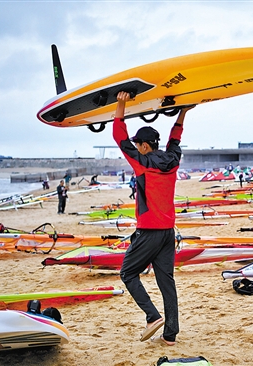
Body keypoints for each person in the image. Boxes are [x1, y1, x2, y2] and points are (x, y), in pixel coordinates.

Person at [113, 91, 194, 346]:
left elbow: (119, 137)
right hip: (168, 232)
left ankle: (152, 317)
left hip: (148, 231)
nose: (136, 147)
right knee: (166, 282)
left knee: (127, 273)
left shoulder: (142, 162)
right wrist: (183, 112)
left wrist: (121, 104)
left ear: (145, 146)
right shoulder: (172, 161)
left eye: (139, 144)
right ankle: (170, 335)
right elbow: (175, 138)